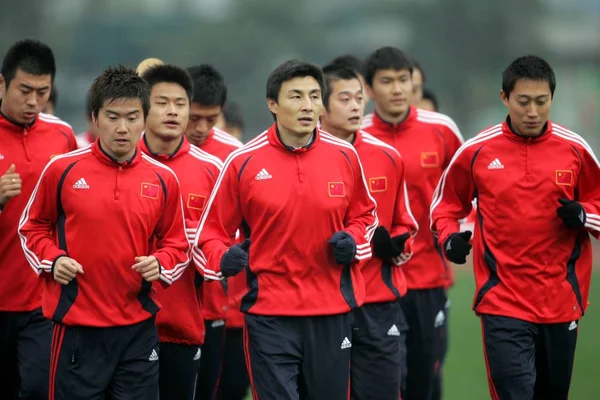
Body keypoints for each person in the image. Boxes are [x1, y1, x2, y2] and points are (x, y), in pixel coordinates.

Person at [193, 59, 378, 400]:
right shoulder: (242, 162)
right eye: (295, 96)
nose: (307, 105)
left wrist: (352, 240)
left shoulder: (346, 156)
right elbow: (211, 233)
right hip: (269, 315)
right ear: (272, 103)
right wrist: (224, 256)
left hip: (332, 311)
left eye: (313, 96)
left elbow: (366, 218)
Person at [431, 55, 600, 400]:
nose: (533, 111)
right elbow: (444, 205)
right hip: (502, 301)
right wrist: (449, 238)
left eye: (542, 101)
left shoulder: (576, 150)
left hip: (561, 300)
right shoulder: (477, 150)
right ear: (505, 98)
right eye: (524, 101)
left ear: (552, 98)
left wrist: (584, 215)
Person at [18, 65, 190, 400]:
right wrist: (53, 260)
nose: (122, 128)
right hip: (77, 329)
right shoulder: (62, 169)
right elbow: (31, 228)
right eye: (112, 117)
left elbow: (177, 244)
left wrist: (161, 263)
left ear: (144, 118)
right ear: (95, 117)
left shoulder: (163, 179)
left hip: (137, 330)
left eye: (131, 117)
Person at [361, 46, 463, 400]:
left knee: (424, 378)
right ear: (369, 89)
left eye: (403, 80)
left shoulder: (442, 130)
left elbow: (467, 195)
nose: (397, 89)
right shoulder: (355, 137)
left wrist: (458, 237)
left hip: (427, 278)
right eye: (386, 81)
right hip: (374, 283)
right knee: (384, 383)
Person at [320, 64, 418, 400]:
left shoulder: (388, 157)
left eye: (359, 98)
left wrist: (397, 244)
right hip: (324, 305)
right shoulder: (305, 157)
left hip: (378, 301)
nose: (355, 106)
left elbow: (405, 223)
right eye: (344, 98)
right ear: (321, 104)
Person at [139, 64, 223, 400]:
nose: (173, 111)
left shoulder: (212, 170)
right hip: (125, 324)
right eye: (162, 102)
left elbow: (222, 239)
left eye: (180, 103)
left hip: (184, 323)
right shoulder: (123, 161)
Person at [0, 39, 77, 400]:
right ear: (2, 84)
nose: (33, 102)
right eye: (24, 91)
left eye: (42, 92)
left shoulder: (62, 135)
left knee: (37, 389)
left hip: (40, 298)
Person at [185, 64, 242, 400]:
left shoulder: (235, 155)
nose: (201, 128)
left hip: (214, 305)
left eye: (211, 118)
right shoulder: (149, 148)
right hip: (154, 305)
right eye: (194, 117)